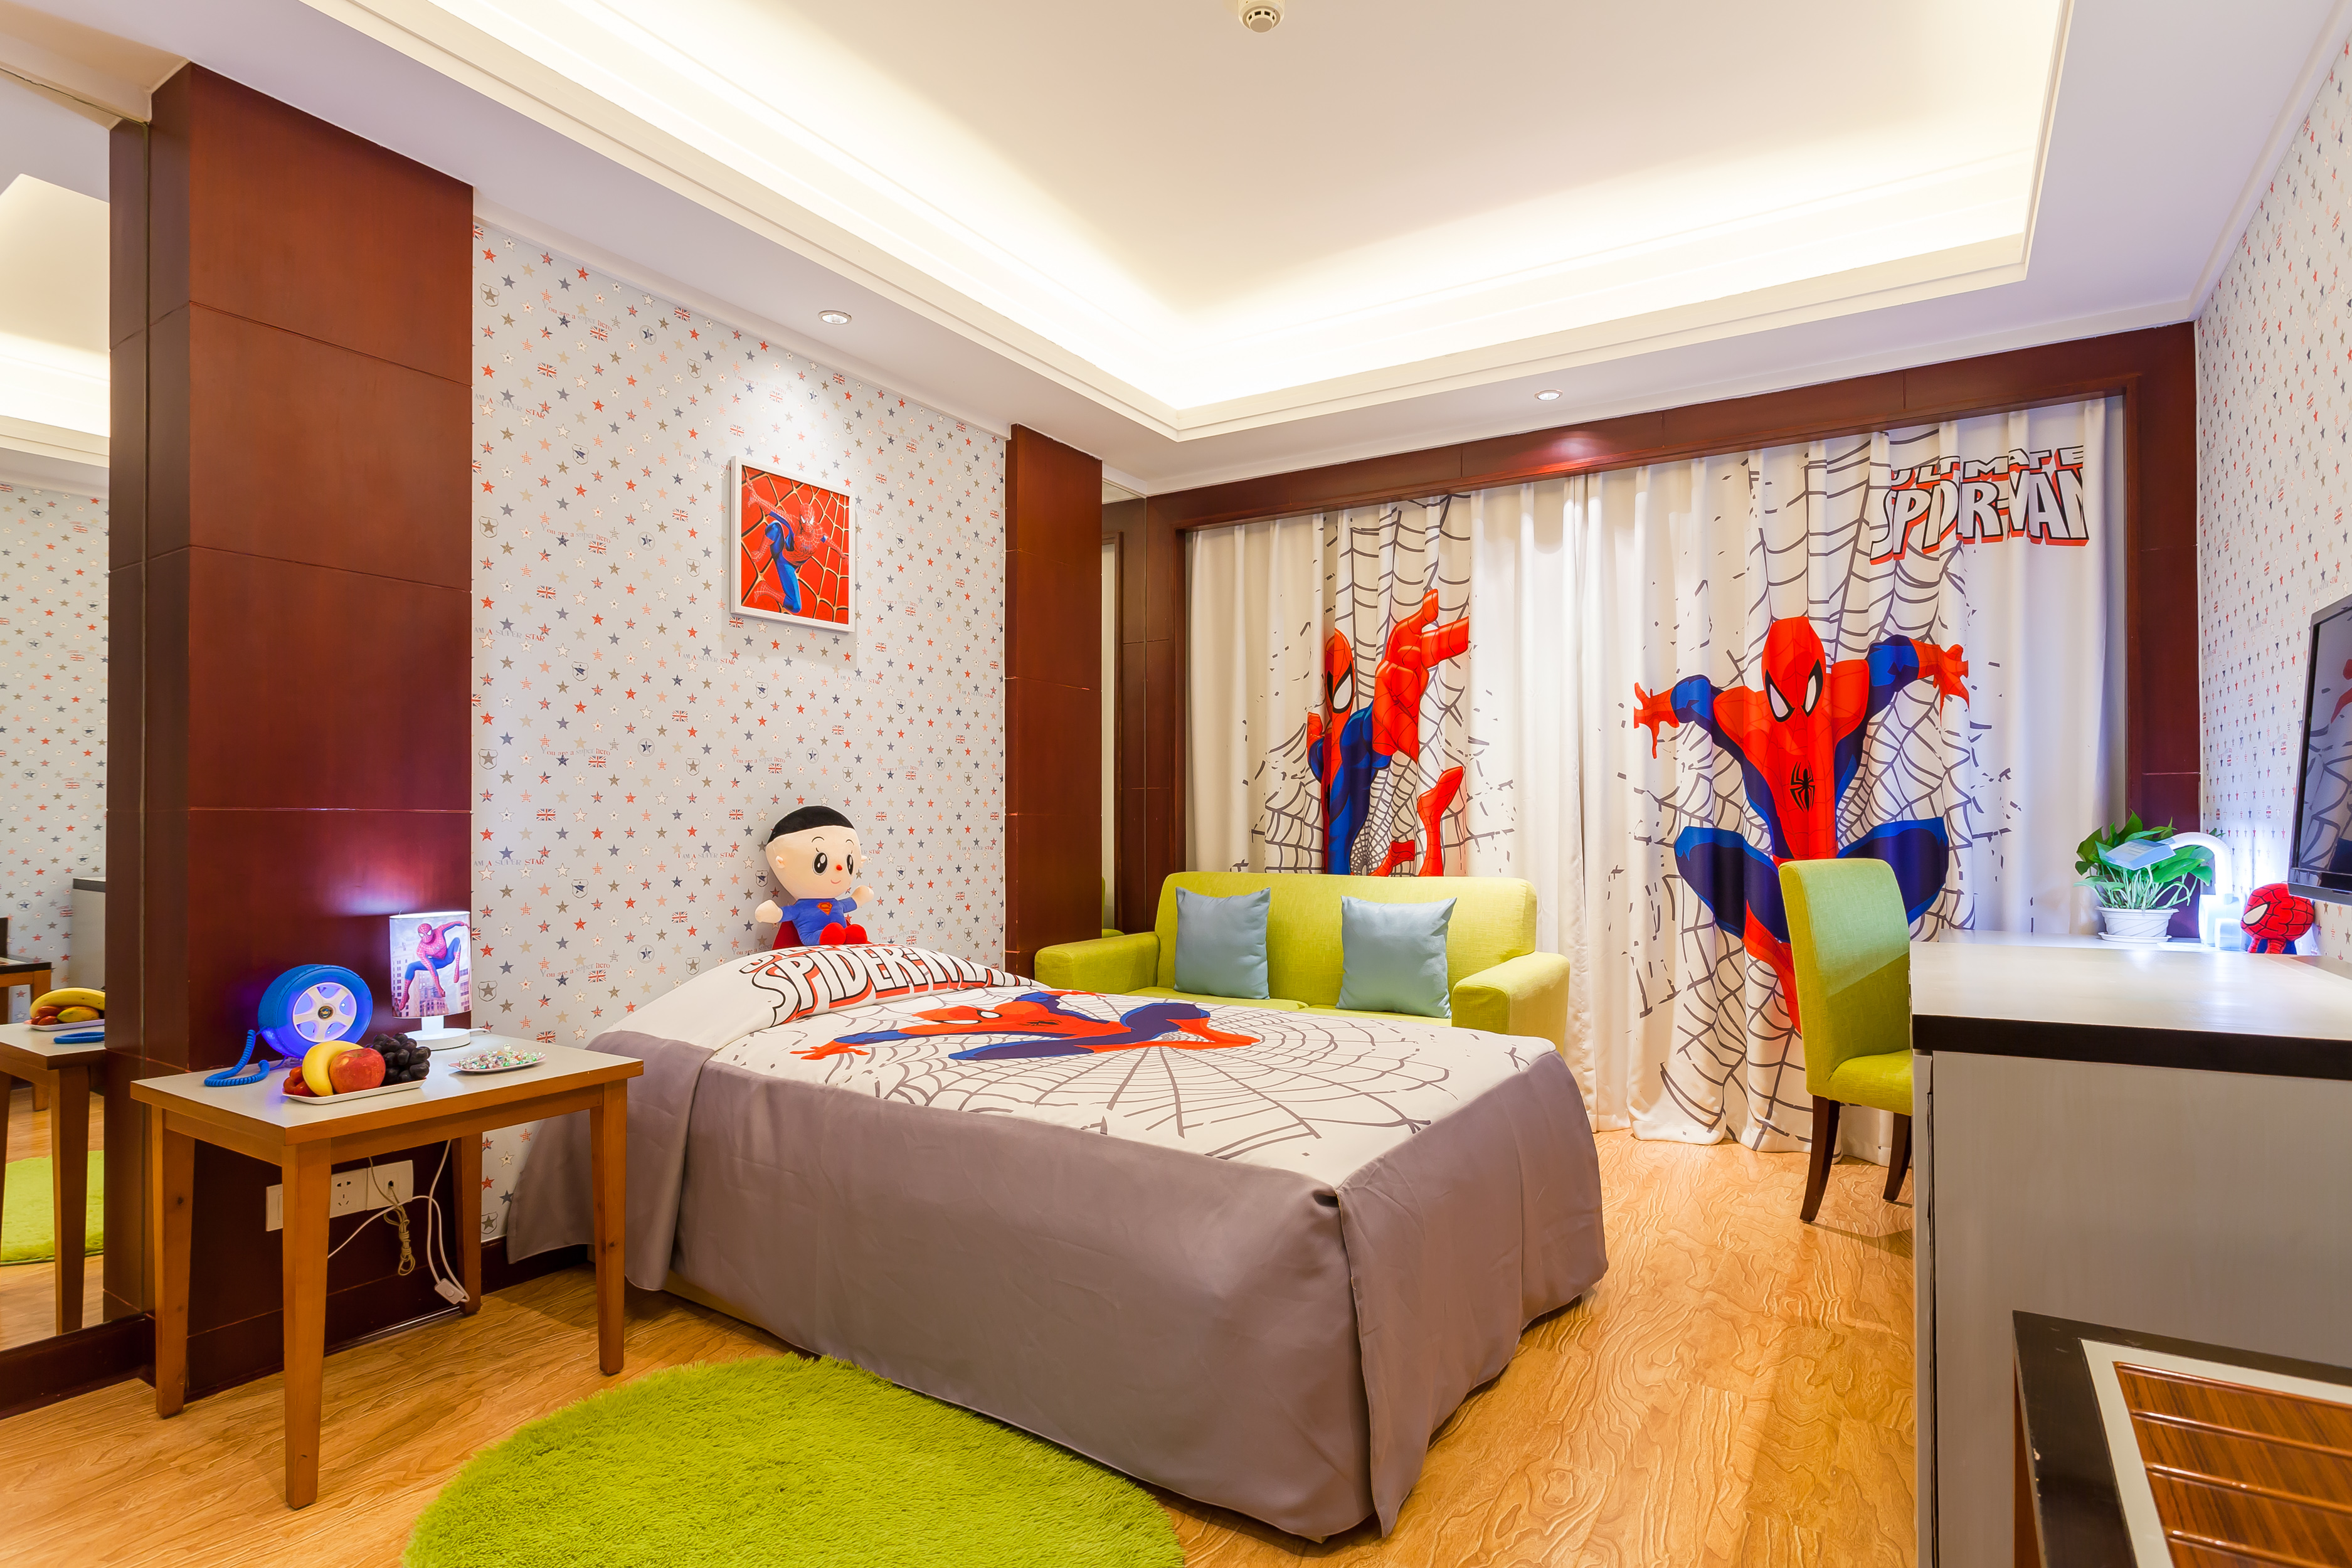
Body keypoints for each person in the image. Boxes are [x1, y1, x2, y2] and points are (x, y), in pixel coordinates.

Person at [755, 805, 874, 946]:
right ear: (781, 862)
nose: (839, 868)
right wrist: (773, 913)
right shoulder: (801, 908)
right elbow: (783, 914)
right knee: (833, 933)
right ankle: (829, 937)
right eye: (821, 864)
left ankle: (848, 936)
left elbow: (851, 903)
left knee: (855, 932)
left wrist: (859, 897)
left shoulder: (837, 904)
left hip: (841, 939)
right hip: (814, 938)